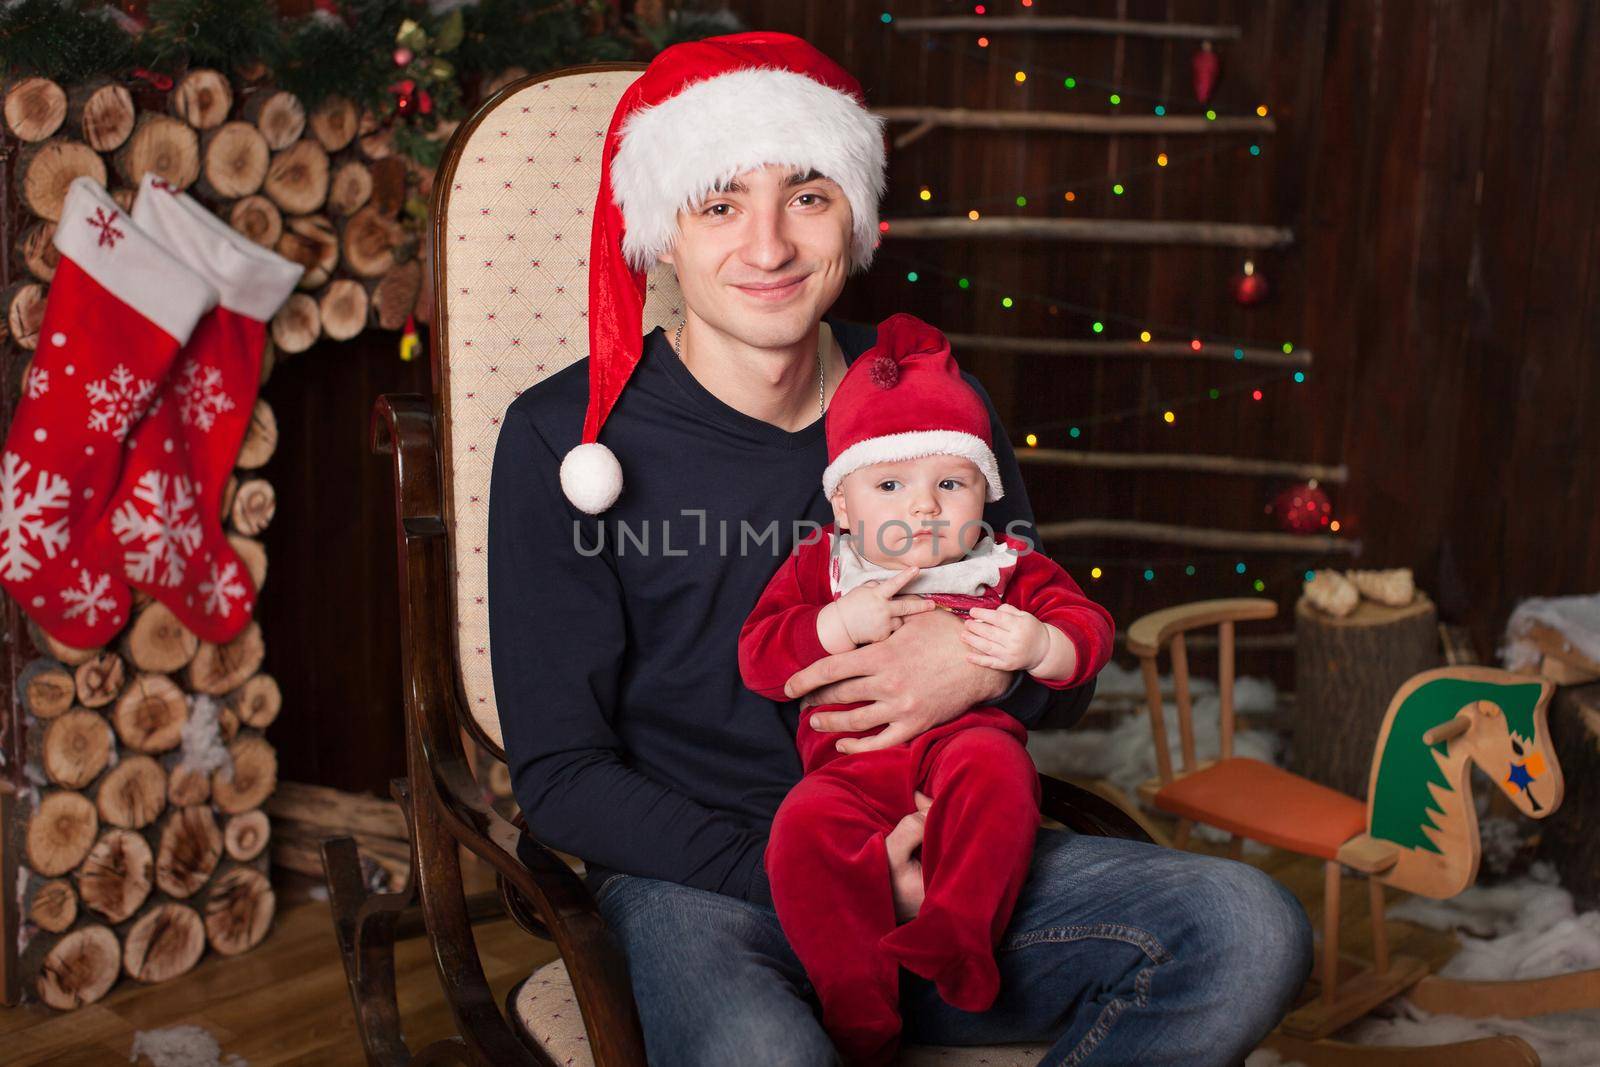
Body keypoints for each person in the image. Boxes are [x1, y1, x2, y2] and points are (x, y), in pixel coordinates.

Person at [487, 30, 1313, 1067]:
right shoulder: (565, 440)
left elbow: (1061, 683)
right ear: (663, 234)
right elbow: (561, 775)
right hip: (702, 881)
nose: (769, 246)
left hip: (951, 849)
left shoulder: (927, 409)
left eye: (807, 195)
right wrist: (829, 872)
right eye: (719, 204)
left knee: (1250, 927)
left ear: (854, 214)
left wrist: (963, 667)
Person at [738, 312, 1117, 1065]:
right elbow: (760, 655)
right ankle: (860, 1011)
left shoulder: (1000, 564)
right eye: (890, 483)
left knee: (1001, 775)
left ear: (985, 492)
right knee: (801, 829)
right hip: (847, 772)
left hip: (964, 749)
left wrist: (1041, 644)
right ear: (844, 506)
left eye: (952, 483)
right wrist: (836, 625)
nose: (923, 507)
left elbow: (1090, 623)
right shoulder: (827, 570)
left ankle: (959, 935)